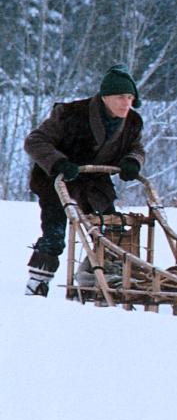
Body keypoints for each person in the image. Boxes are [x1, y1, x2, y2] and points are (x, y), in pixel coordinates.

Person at [23, 64, 146, 296]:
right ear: (105, 97)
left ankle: (104, 280)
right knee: (55, 234)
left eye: (130, 98)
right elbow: (35, 141)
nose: (126, 103)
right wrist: (59, 162)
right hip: (57, 180)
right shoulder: (71, 113)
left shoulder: (132, 122)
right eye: (121, 97)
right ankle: (37, 283)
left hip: (95, 182)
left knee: (111, 230)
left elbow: (136, 148)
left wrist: (132, 161)